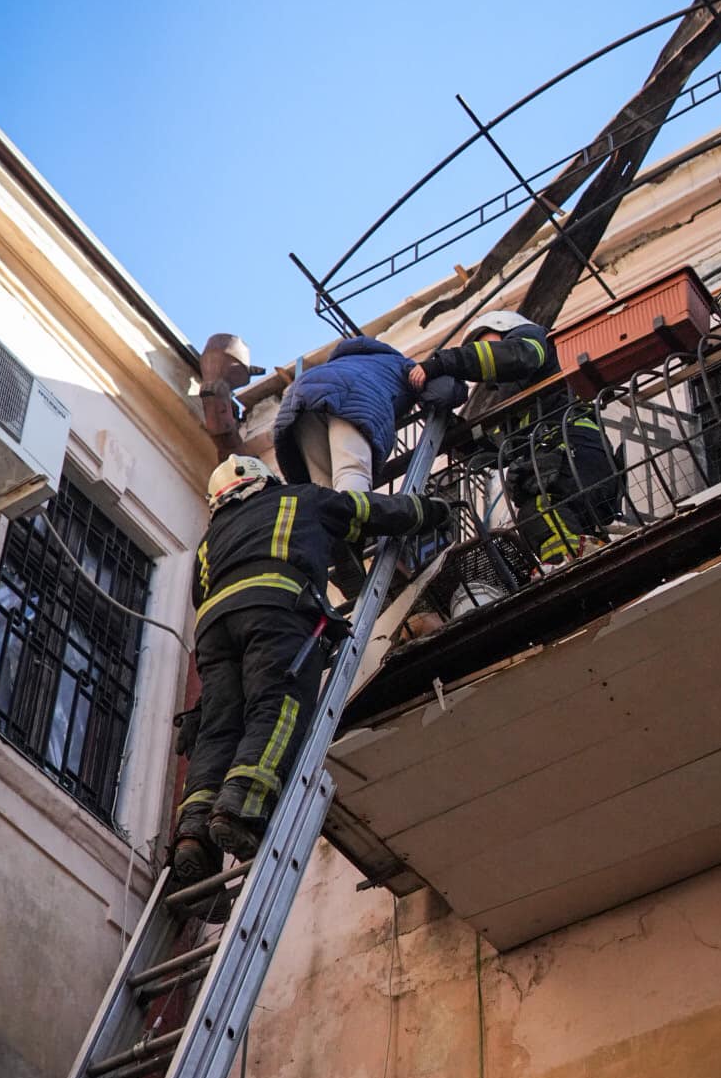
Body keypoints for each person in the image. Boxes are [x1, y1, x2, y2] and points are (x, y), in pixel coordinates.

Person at [171, 455, 450, 884]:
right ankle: (244, 803)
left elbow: (199, 595)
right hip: (276, 610)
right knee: (276, 702)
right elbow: (367, 511)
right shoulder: (298, 499)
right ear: (264, 482)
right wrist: (432, 510)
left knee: (218, 728)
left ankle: (194, 832)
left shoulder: (208, 543)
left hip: (212, 633)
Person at [408, 310, 623, 566]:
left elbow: (514, 357)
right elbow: (498, 452)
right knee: (534, 517)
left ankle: (572, 562)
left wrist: (441, 363)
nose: (481, 352)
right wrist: (456, 434)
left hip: (575, 453)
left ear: (504, 327)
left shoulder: (533, 340)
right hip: (563, 469)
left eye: (483, 344)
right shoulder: (513, 404)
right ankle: (579, 556)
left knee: (540, 513)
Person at [273, 335, 464, 492]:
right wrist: (447, 380)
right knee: (351, 469)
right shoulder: (399, 363)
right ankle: (357, 526)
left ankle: (335, 535)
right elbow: (443, 392)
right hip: (353, 396)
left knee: (322, 488)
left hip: (298, 401)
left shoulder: (341, 363)